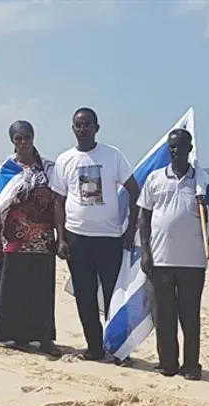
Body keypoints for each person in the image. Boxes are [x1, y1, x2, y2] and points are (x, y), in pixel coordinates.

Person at [50, 107, 140, 365]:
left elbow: (135, 192)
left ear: (96, 128)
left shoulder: (113, 156)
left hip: (109, 238)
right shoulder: (65, 160)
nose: (82, 129)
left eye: (87, 124)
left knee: (114, 295)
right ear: (73, 129)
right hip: (77, 237)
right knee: (86, 295)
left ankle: (119, 349)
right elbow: (58, 201)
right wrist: (62, 238)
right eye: (78, 125)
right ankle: (94, 348)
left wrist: (130, 230)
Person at [138, 128, 208, 381]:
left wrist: (203, 198)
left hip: (193, 262)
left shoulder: (201, 179)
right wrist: (146, 251)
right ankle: (168, 362)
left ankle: (192, 365)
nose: (176, 151)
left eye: (181, 146)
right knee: (164, 316)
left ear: (190, 149)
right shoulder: (155, 179)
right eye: (172, 147)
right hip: (160, 259)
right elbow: (143, 217)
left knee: (190, 316)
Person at [0, 120, 61, 357]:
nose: (23, 142)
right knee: (15, 289)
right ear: (12, 141)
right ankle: (16, 337)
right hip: (14, 240)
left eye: (26, 137)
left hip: (42, 240)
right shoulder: (8, 169)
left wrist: (61, 236)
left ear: (33, 137)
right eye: (18, 138)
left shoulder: (48, 169)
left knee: (41, 290)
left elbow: (59, 203)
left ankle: (44, 339)